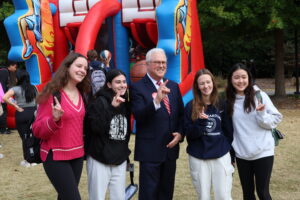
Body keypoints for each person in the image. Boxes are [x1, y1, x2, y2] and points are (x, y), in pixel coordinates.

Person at [32, 52, 90, 200]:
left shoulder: (83, 93)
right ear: (67, 67)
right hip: (55, 156)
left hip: (77, 155)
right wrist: (54, 119)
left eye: (85, 68)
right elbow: (37, 130)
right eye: (78, 66)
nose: (82, 70)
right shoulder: (52, 93)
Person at [130, 48, 184, 200]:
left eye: (163, 62)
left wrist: (180, 134)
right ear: (147, 65)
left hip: (170, 151)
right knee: (149, 194)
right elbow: (139, 116)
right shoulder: (137, 88)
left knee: (166, 194)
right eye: (157, 62)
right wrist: (156, 101)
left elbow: (181, 115)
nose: (161, 65)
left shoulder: (173, 86)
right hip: (150, 152)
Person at [226, 63, 282, 200]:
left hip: (263, 152)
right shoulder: (228, 100)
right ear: (231, 80)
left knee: (263, 193)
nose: (240, 81)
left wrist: (262, 115)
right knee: (247, 194)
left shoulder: (259, 96)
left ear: (249, 78)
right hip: (242, 154)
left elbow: (276, 118)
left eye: (244, 77)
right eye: (236, 77)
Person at [183, 69, 234, 200]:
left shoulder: (222, 104)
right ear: (197, 86)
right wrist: (200, 123)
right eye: (202, 83)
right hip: (199, 157)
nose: (206, 86)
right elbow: (189, 135)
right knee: (203, 197)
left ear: (213, 82)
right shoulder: (190, 106)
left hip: (220, 156)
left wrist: (229, 155)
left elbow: (229, 132)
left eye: (208, 82)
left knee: (223, 195)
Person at [85, 69, 131, 200]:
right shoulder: (99, 102)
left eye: (124, 81)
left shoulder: (125, 102)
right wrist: (111, 108)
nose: (122, 85)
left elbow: (125, 133)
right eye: (118, 82)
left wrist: (124, 153)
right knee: (97, 197)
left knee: (119, 197)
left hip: (119, 159)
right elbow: (96, 128)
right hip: (99, 159)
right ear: (109, 85)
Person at [2, 70, 37, 167]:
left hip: (21, 113)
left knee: (24, 137)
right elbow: (38, 100)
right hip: (33, 113)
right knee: (32, 136)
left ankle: (27, 160)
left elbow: (4, 98)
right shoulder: (33, 88)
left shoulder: (15, 89)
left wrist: (16, 106)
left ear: (19, 78)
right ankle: (33, 159)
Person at [0, 61, 18, 134]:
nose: (15, 69)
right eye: (15, 67)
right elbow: (2, 86)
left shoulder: (3, 70)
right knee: (3, 112)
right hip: (2, 96)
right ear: (10, 66)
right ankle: (3, 129)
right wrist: (4, 97)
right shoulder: (4, 72)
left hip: (2, 95)